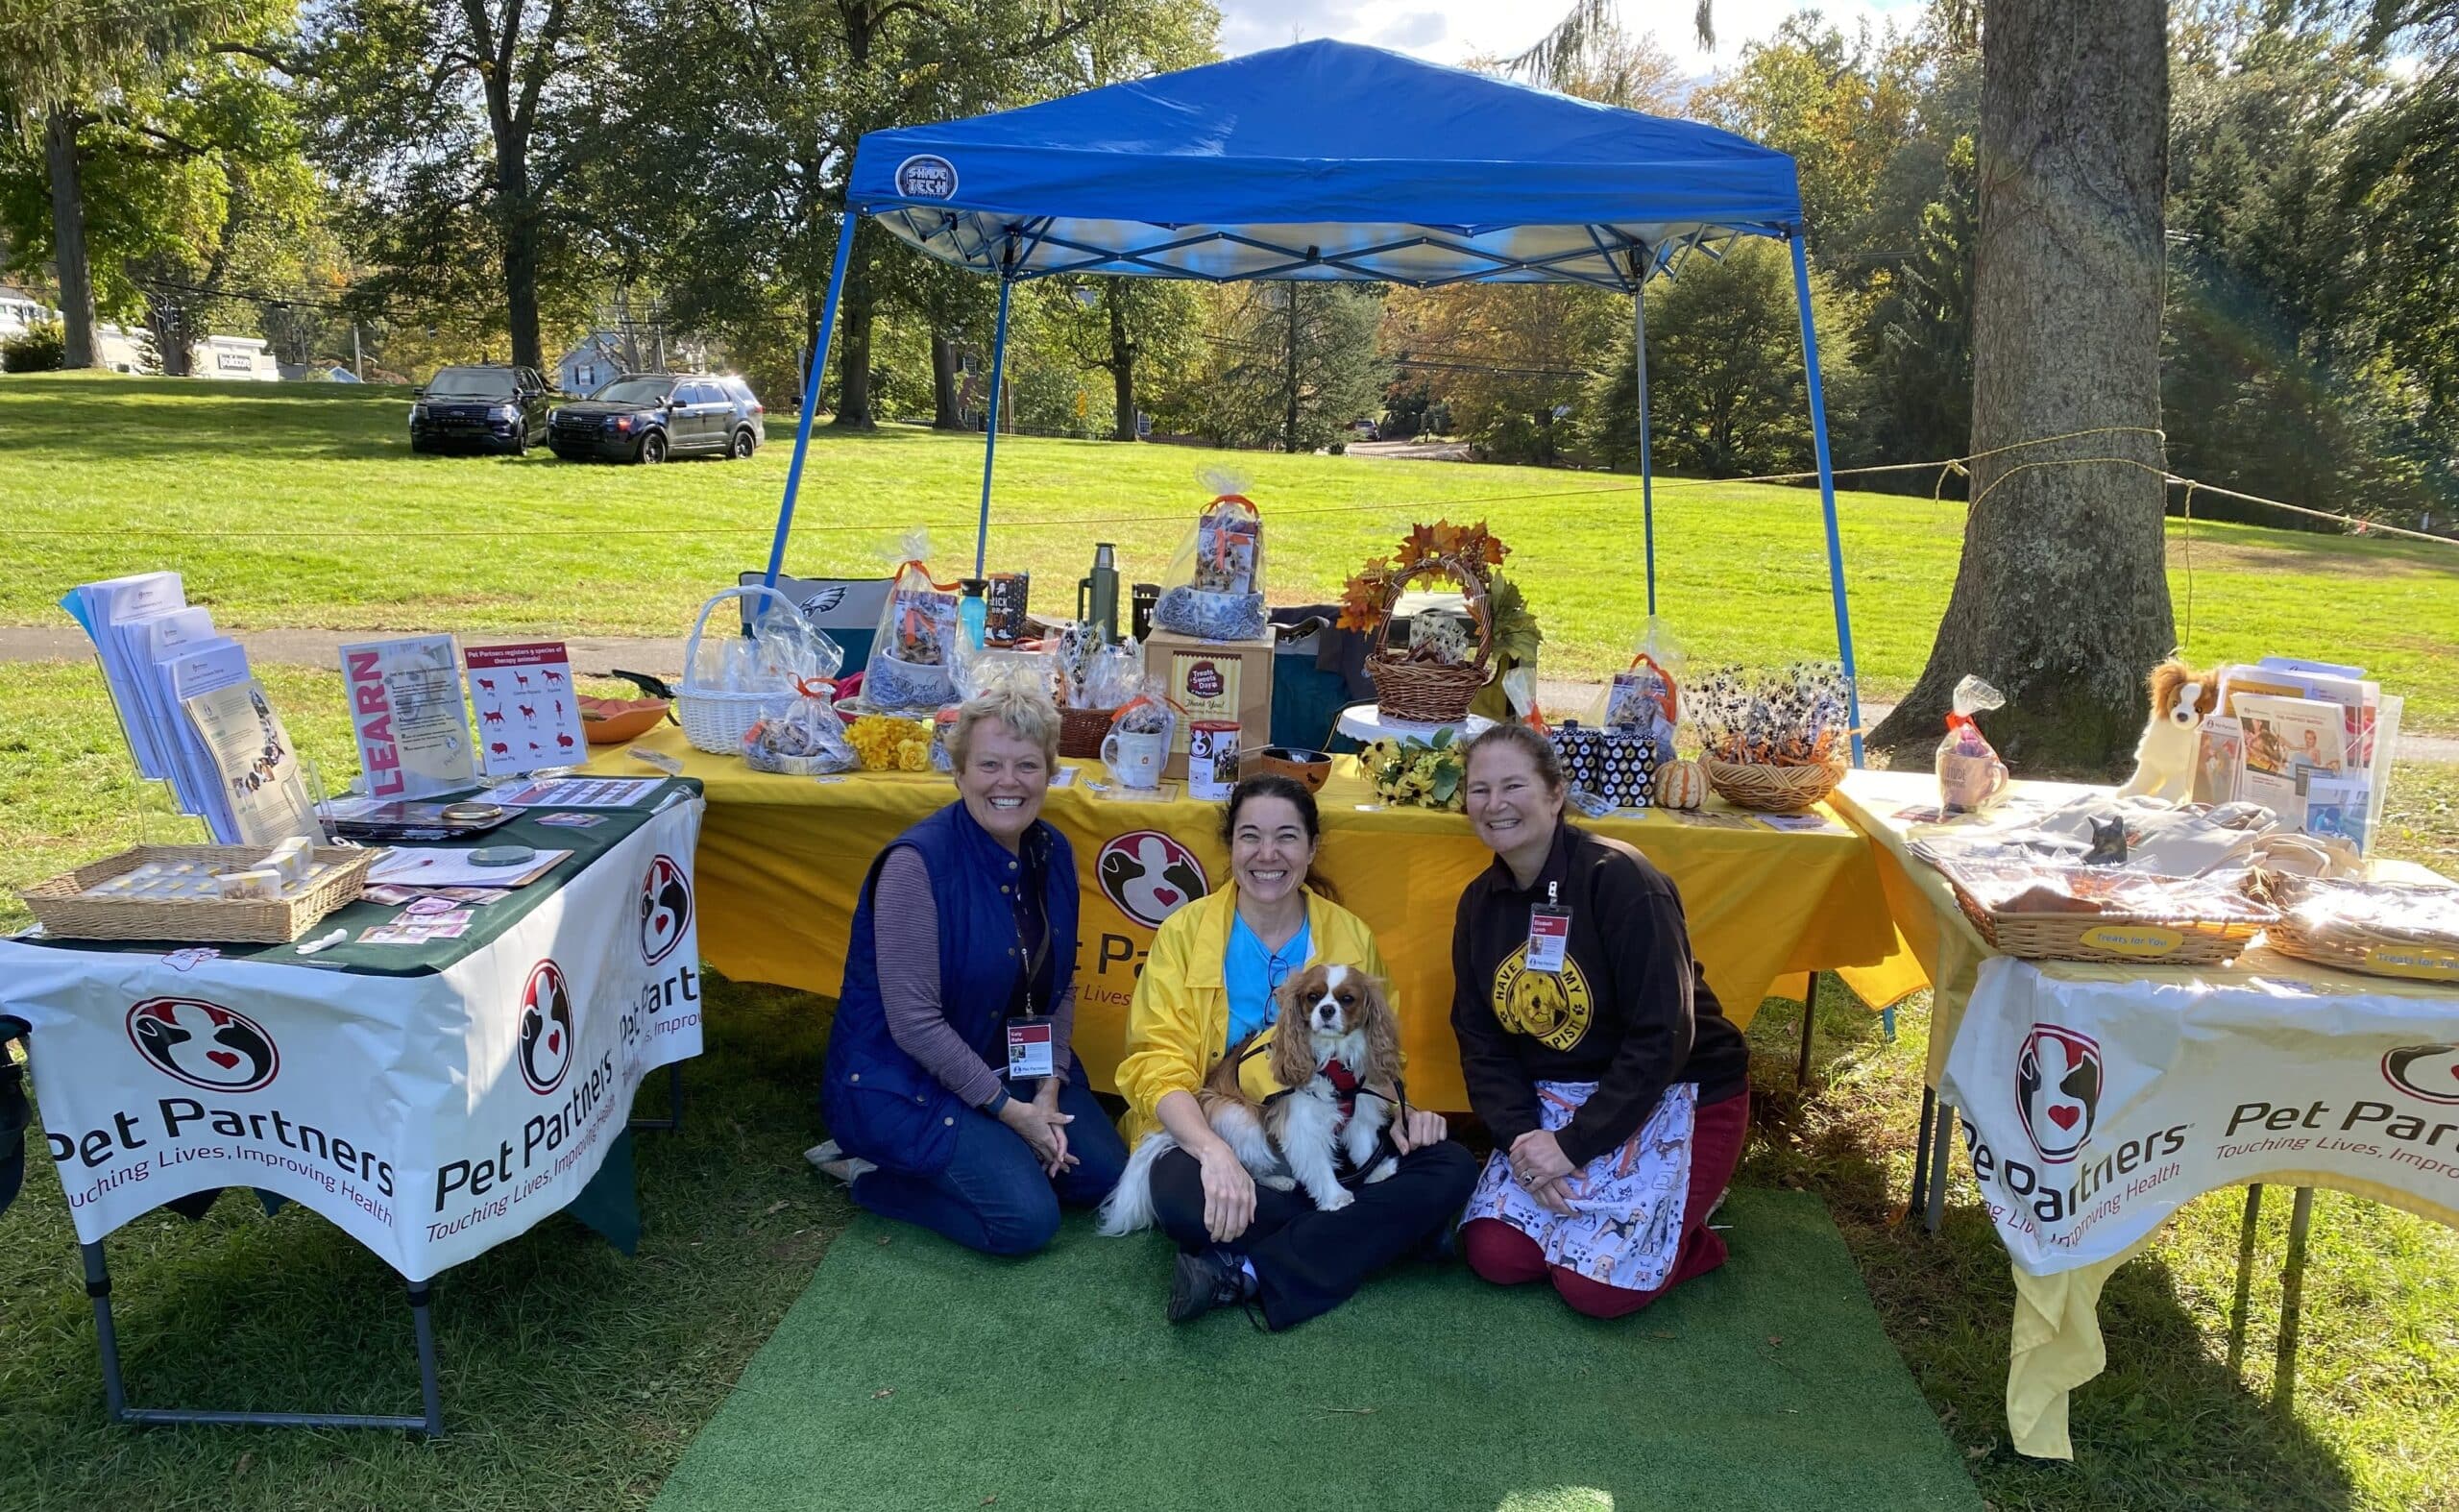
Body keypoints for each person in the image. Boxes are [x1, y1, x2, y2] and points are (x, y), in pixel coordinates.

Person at [1114, 774, 1475, 1328]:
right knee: (1182, 1196)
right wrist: (1215, 1155)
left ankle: (1246, 1270)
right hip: (1226, 1129)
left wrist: (1401, 1113)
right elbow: (1156, 1066)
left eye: (1286, 837)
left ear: (1311, 848)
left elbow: (1381, 1055)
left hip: (1333, 1123)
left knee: (1450, 1163)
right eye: (1249, 836)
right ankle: (1388, 1233)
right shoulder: (1185, 932)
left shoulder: (1350, 935)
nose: (1267, 855)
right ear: (1230, 845)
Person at [1449, 723, 1751, 1318]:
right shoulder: (1480, 904)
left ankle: (1689, 1233)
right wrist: (1521, 1140)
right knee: (1497, 1256)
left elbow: (1664, 1035)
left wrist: (1574, 1145)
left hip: (1674, 1093)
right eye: (1479, 790)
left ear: (1556, 793)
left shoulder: (1622, 881)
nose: (1495, 804)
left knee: (1597, 1291)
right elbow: (1480, 1041)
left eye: (1514, 785)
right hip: (1553, 1099)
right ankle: (1617, 1221)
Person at [815, 685, 1127, 1255]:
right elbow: (913, 1025)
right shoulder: (916, 865)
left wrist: (1049, 1091)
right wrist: (1014, 1115)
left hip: (1008, 1060)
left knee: (1101, 1176)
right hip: (907, 1083)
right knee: (1026, 1222)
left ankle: (998, 1144)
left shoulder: (1053, 852)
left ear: (1048, 775)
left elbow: (1059, 987)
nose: (1008, 782)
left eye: (1027, 766)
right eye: (989, 765)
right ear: (958, 773)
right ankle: (868, 1173)